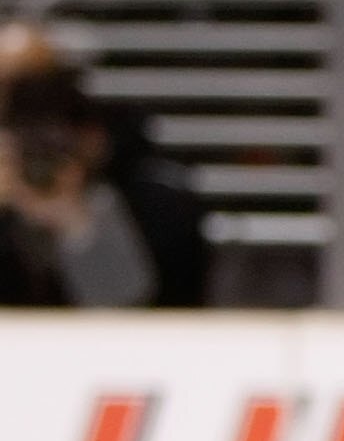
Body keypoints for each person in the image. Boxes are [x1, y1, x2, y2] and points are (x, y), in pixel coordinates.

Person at [0, 63, 207, 308]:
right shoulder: (8, 203)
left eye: (55, 147)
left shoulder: (143, 203)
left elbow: (128, 308)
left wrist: (77, 227)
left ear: (92, 139)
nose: (41, 160)